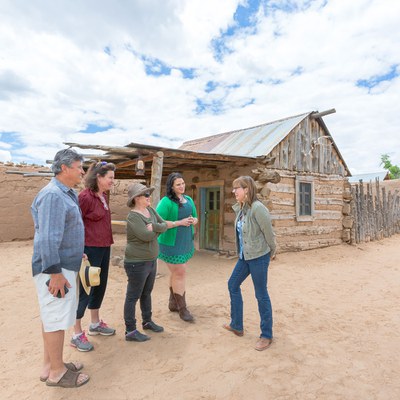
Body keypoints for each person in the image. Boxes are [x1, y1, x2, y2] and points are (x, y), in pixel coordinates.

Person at [31, 148, 90, 388]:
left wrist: (78, 249)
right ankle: (57, 372)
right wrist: (55, 273)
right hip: (56, 270)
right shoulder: (54, 195)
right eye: (79, 167)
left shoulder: (64, 193)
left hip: (62, 265)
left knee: (51, 316)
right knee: (55, 318)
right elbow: (47, 238)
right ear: (64, 168)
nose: (83, 171)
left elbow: (63, 231)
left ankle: (50, 365)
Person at [223, 176, 276, 351]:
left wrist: (272, 252)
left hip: (259, 257)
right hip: (244, 256)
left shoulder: (258, 209)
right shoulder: (243, 208)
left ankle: (266, 335)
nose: (233, 191)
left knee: (261, 294)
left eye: (236, 188)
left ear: (246, 189)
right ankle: (237, 325)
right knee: (232, 285)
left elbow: (269, 233)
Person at [71, 161, 116, 352]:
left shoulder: (103, 195)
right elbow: (75, 224)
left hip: (104, 246)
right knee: (85, 290)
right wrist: (79, 249)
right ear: (98, 177)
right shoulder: (85, 197)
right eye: (110, 178)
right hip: (89, 249)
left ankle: (95, 324)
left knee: (100, 285)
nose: (113, 182)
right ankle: (76, 333)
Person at [124, 182, 172, 342]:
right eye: (145, 195)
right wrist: (157, 230)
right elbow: (145, 236)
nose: (148, 197)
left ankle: (147, 321)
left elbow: (164, 225)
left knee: (146, 293)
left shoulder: (150, 210)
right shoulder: (133, 216)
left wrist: (155, 228)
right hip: (136, 262)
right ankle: (130, 330)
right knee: (133, 296)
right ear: (137, 198)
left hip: (151, 260)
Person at [156, 172, 198, 322]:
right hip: (170, 243)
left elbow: (196, 216)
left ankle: (173, 302)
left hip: (185, 241)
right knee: (180, 271)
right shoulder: (166, 202)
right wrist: (179, 222)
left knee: (176, 273)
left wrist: (193, 221)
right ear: (172, 187)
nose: (182, 186)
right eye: (178, 184)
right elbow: (158, 222)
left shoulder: (188, 199)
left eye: (183, 183)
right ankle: (182, 308)